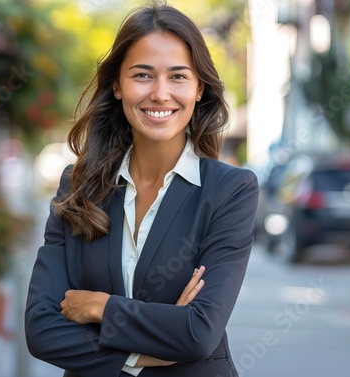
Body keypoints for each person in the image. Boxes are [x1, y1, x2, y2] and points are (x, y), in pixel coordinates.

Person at [25, 2, 259, 376]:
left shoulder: (230, 191)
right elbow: (41, 330)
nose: (161, 93)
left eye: (178, 76)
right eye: (143, 75)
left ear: (200, 88)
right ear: (117, 85)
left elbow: (198, 333)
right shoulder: (78, 187)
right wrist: (145, 353)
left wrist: (101, 307)